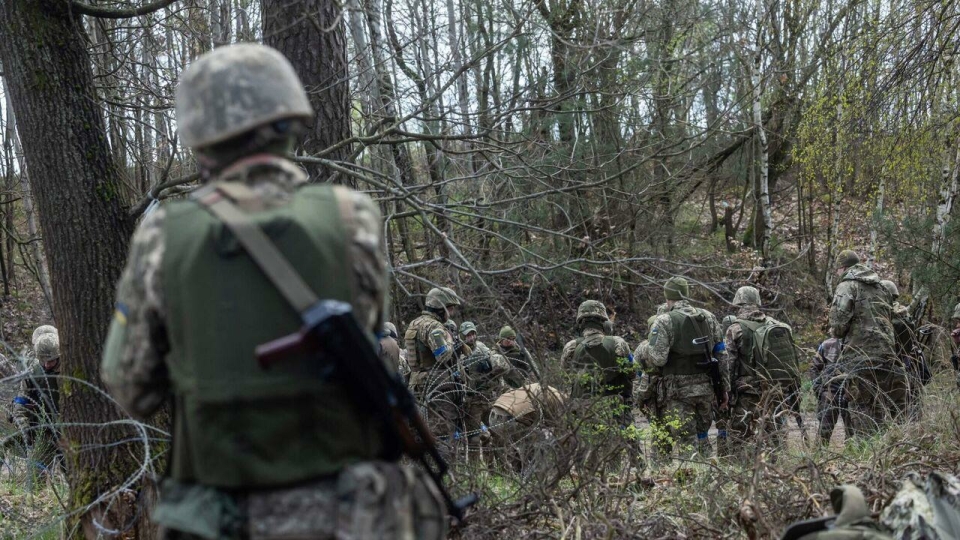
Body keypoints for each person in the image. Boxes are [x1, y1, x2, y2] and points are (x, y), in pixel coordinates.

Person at [100, 43, 445, 539]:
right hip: (347, 516)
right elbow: (367, 344)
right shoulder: (354, 218)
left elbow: (133, 390)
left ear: (200, 140)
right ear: (291, 121)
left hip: (219, 516)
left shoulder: (164, 236)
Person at [635, 277, 728, 457]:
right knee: (702, 436)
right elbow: (721, 355)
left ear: (667, 297)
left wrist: (645, 347)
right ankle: (709, 476)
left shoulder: (664, 320)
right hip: (706, 390)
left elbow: (658, 359)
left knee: (686, 442)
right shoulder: (708, 317)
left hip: (677, 393)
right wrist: (724, 389)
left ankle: (692, 480)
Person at [829, 250, 907, 435]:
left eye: (838, 270)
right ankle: (882, 451)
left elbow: (838, 326)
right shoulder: (881, 286)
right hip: (887, 355)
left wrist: (834, 330)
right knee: (878, 407)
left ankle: (866, 454)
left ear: (843, 268)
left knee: (862, 408)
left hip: (859, 356)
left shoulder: (847, 286)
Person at [722, 286, 801, 455]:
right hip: (775, 388)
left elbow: (728, 365)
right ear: (757, 302)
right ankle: (777, 470)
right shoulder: (777, 325)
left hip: (748, 393)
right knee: (775, 435)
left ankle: (741, 472)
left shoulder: (735, 329)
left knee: (740, 436)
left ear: (738, 303)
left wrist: (726, 392)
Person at [404, 287, 465, 436]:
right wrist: (451, 342)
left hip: (417, 383)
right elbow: (442, 355)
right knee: (442, 432)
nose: (451, 314)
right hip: (437, 386)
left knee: (420, 432)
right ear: (440, 308)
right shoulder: (434, 327)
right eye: (449, 309)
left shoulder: (415, 324)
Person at [880, 280, 928, 418]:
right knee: (902, 411)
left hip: (886, 367)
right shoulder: (905, 314)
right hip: (904, 365)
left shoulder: (885, 315)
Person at [14, 333, 62, 469]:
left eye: (51, 361)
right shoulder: (33, 372)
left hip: (69, 431)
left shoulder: (71, 369)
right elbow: (20, 402)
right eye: (43, 361)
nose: (47, 365)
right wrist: (24, 427)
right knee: (36, 474)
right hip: (44, 431)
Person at [809, 334, 852, 445]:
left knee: (853, 435)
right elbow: (814, 368)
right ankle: (819, 459)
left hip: (852, 395)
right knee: (824, 432)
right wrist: (820, 391)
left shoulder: (859, 344)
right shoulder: (827, 345)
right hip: (830, 394)